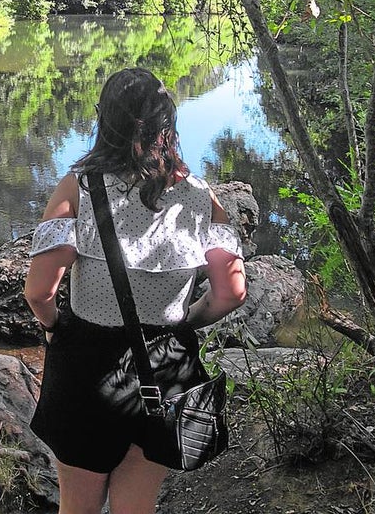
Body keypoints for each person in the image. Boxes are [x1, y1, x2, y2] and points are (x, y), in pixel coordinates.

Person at [24, 67, 248, 514]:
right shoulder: (203, 198)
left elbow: (38, 292)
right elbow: (231, 293)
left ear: (104, 121)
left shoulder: (80, 188)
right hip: (166, 369)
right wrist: (188, 321)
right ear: (168, 125)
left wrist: (54, 329)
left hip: (86, 368)